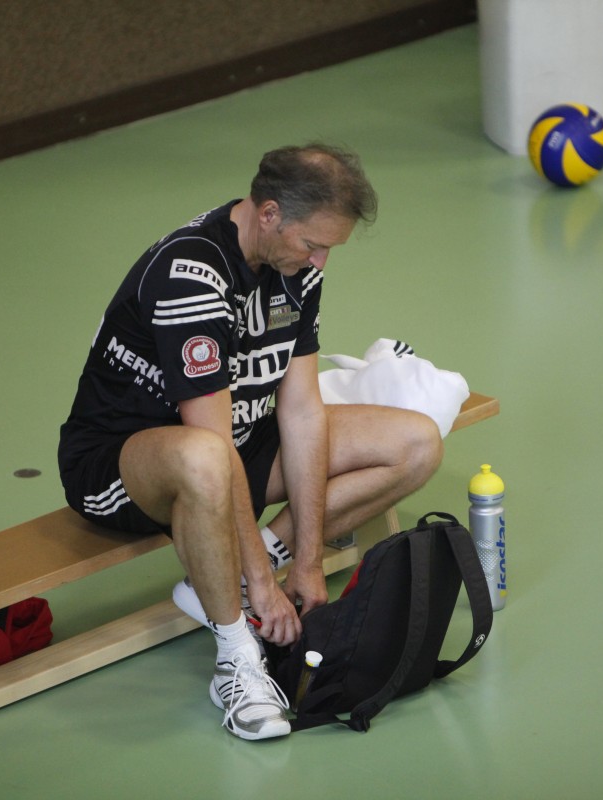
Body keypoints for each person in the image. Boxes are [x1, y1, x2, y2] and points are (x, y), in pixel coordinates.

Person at [58, 143, 443, 740]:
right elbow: (209, 439)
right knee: (207, 458)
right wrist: (263, 586)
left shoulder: (296, 268)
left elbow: (303, 411)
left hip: (234, 441)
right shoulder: (192, 274)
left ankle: (228, 578)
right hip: (121, 467)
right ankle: (236, 655)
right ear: (269, 214)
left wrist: (307, 561)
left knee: (417, 442)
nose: (320, 260)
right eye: (313, 244)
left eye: (329, 248)